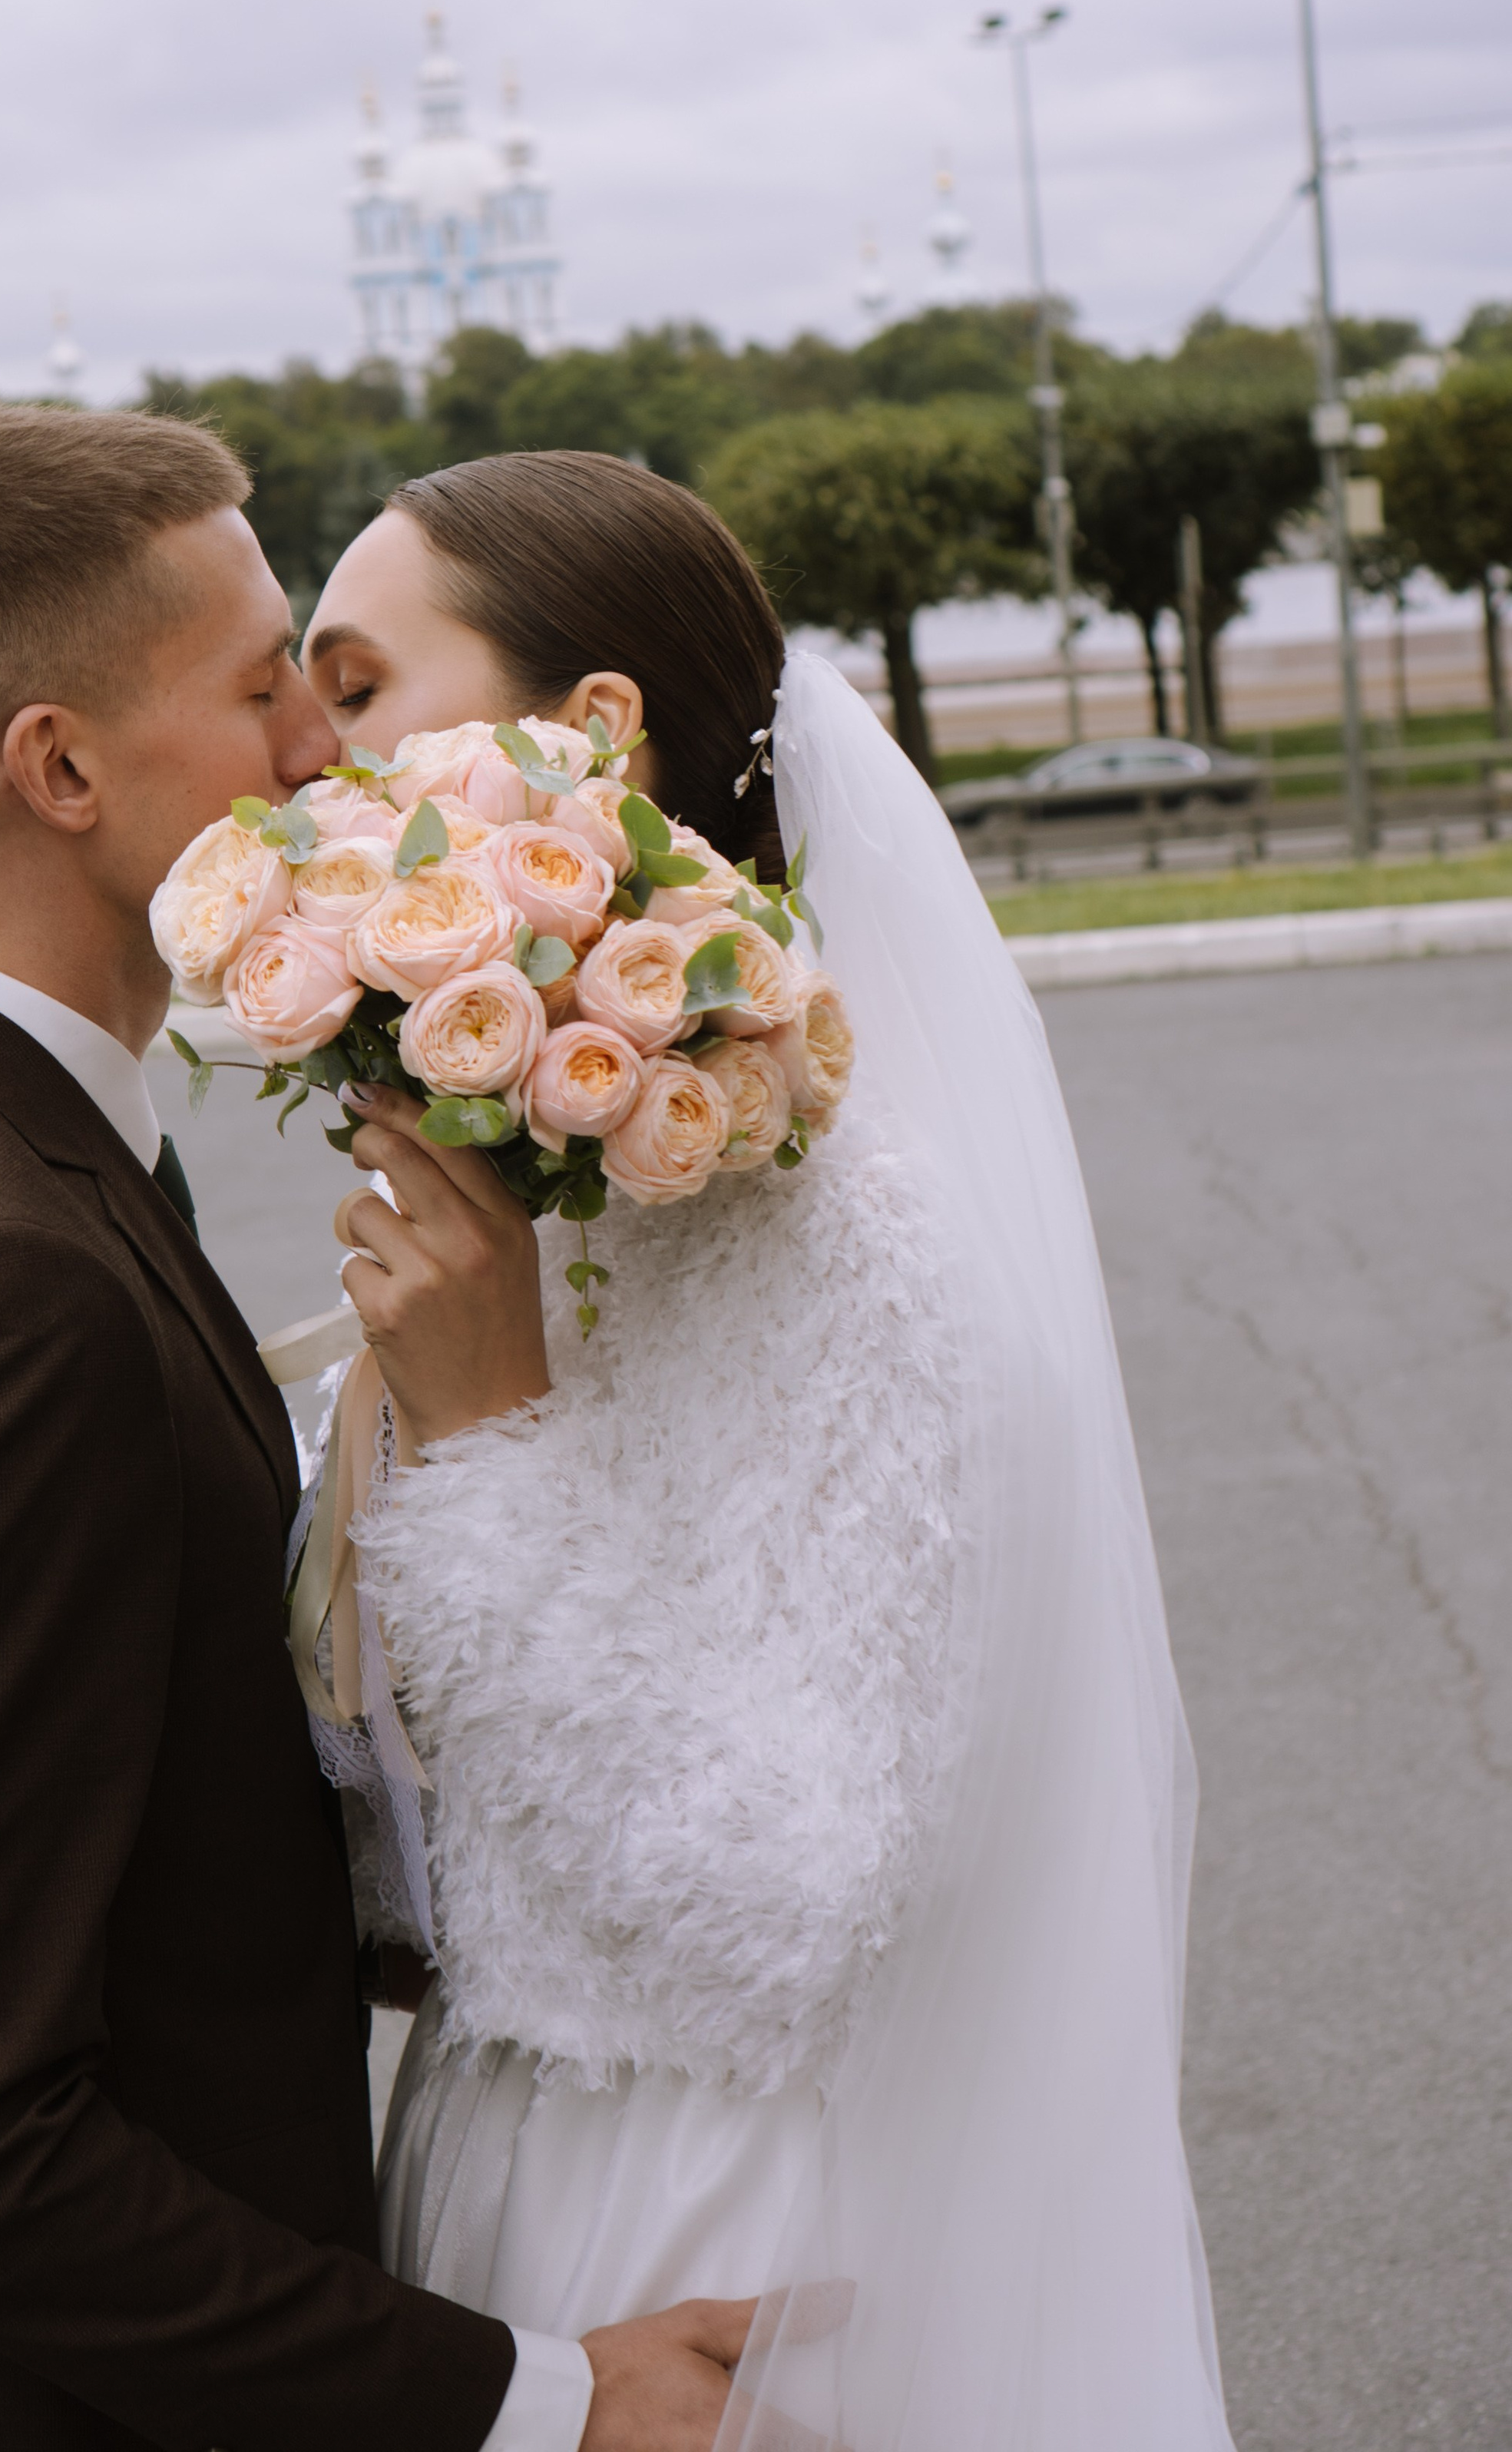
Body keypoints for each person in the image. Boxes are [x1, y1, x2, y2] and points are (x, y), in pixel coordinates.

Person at [0, 405, 758, 2452]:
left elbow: (119, 1822)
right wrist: (543, 2401)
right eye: (264, 680)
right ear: (60, 766)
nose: (317, 751)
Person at [300, 449, 1239, 2452]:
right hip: (500, 2171)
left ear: (591, 738)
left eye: (362, 689)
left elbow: (773, 1903)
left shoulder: (863, 1244)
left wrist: (485, 1425)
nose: (309, 757)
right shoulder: (585, 1186)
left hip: (707, 2241)